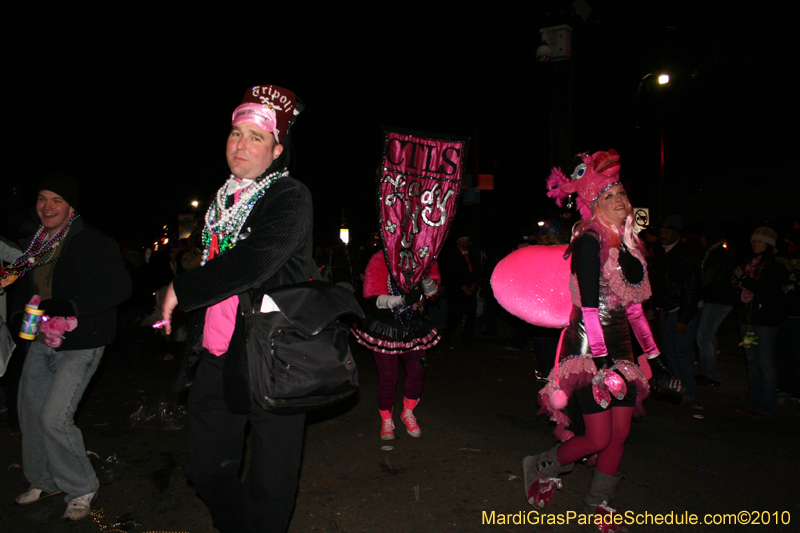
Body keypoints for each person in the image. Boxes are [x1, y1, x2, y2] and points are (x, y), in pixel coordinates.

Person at [161, 85, 318, 533]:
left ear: (276, 150)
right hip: (217, 355)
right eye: (235, 133)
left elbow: (253, 262)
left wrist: (182, 288)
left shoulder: (289, 196)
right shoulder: (221, 201)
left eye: (255, 137)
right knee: (205, 469)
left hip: (274, 358)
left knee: (272, 484)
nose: (240, 145)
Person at [524, 150, 678, 529]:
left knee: (620, 433)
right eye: (609, 195)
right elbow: (590, 308)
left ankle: (599, 503)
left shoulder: (632, 247)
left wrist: (655, 360)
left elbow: (637, 311)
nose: (620, 200)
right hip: (588, 350)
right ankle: (542, 465)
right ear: (593, 204)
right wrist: (602, 358)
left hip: (622, 349)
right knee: (597, 437)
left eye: (622, 192)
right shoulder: (589, 240)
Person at [8, 175, 131, 521]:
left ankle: (80, 486)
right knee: (30, 414)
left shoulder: (93, 242)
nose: (47, 207)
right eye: (42, 198)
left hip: (81, 342)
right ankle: (44, 479)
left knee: (53, 417)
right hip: (40, 340)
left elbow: (121, 287)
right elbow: (24, 289)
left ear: (71, 208)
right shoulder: (33, 244)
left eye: (56, 200)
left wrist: (72, 306)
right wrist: (19, 317)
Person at [351, 251, 440, 439]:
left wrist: (423, 275)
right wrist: (403, 300)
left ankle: (408, 412)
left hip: (414, 329)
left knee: (420, 368)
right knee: (388, 376)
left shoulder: (424, 256)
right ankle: (386, 419)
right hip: (385, 329)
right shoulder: (380, 259)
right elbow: (375, 299)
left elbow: (433, 292)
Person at [732, 226, 787, 417]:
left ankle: (766, 405)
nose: (755, 244)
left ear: (769, 244)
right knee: (753, 363)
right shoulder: (749, 263)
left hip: (765, 321)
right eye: (754, 241)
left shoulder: (775, 265)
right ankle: (752, 402)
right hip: (748, 319)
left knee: (765, 363)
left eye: (760, 241)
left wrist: (744, 281)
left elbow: (768, 291)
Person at [649, 215, 701, 400]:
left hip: (678, 310)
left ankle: (688, 390)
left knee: (682, 352)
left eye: (666, 231)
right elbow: (655, 282)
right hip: (664, 309)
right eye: (661, 231)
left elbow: (690, 289)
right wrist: (652, 305)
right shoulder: (660, 252)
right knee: (669, 352)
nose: (662, 235)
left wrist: (684, 318)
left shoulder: (685, 255)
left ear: (676, 234)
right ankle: (675, 387)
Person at [695, 228, 736, 386]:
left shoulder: (716, 254)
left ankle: (710, 374)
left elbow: (709, 277)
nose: (702, 240)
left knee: (704, 336)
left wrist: (699, 288)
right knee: (708, 335)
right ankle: (709, 371)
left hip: (717, 299)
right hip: (720, 298)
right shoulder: (717, 253)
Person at [441, 235, 480, 348]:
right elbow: (451, 273)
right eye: (463, 240)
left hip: (470, 290)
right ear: (458, 241)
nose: (465, 242)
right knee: (455, 317)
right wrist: (463, 287)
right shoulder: (452, 254)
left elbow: (475, 270)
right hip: (456, 291)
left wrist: (474, 284)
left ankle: (467, 341)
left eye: (467, 240)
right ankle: (447, 338)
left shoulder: (471, 254)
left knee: (471, 316)